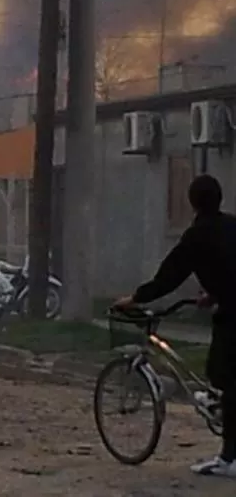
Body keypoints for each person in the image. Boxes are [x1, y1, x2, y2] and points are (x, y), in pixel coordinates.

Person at [113, 174, 236, 477]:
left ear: (192, 202)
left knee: (224, 375)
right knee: (222, 374)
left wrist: (136, 298)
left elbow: (169, 276)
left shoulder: (196, 236)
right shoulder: (231, 224)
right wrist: (215, 293)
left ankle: (230, 459)